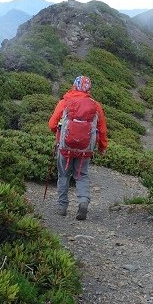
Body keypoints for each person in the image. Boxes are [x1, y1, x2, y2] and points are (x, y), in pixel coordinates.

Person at [47, 75, 108, 220]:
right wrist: (102, 146)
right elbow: (102, 129)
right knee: (82, 176)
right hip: (85, 148)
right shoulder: (95, 105)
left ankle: (62, 207)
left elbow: (52, 125)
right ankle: (83, 201)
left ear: (74, 85)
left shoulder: (65, 102)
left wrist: (61, 133)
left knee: (63, 175)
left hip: (65, 147)